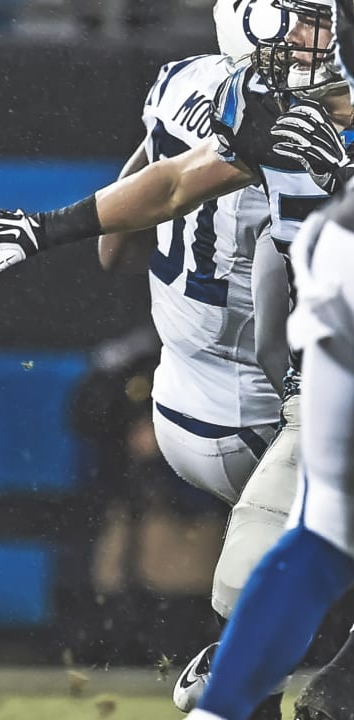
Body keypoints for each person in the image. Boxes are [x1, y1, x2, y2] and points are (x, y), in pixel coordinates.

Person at [0, 1, 350, 716]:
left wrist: (45, 228)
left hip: (186, 399)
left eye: (323, 21)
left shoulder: (186, 86)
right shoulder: (301, 121)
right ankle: (260, 677)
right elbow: (196, 200)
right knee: (294, 579)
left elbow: (141, 217)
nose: (319, 37)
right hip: (284, 399)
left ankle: (267, 669)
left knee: (297, 578)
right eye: (301, 20)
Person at [188, 5, 354, 717]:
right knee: (253, 569)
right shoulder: (254, 115)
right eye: (296, 21)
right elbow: (170, 186)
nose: (315, 36)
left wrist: (343, 172)